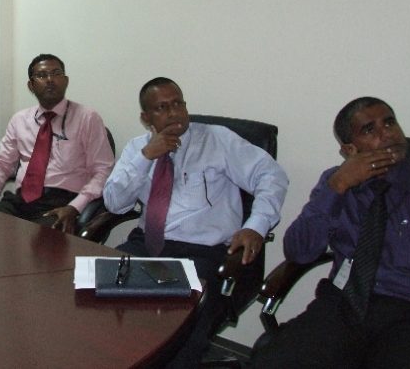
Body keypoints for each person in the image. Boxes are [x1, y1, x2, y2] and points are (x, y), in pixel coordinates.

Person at [102, 77, 288, 368]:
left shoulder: (218, 140)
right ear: (145, 117)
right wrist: (146, 157)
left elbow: (271, 176)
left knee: (180, 321)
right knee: (98, 291)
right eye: (162, 107)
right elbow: (114, 202)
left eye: (178, 103)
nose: (174, 112)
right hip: (146, 246)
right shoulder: (136, 149)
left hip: (201, 253)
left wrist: (256, 225)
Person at [250, 97, 410, 369]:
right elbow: (299, 251)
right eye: (370, 129)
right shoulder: (335, 181)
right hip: (344, 301)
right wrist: (338, 187)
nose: (387, 133)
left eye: (390, 122)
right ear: (350, 149)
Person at [0, 54, 114, 234]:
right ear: (31, 86)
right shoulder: (20, 120)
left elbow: (103, 170)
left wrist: (75, 207)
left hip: (61, 204)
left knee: (39, 247)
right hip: (19, 201)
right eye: (42, 75)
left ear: (65, 81)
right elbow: (1, 164)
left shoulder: (87, 118)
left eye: (56, 73)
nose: (50, 80)